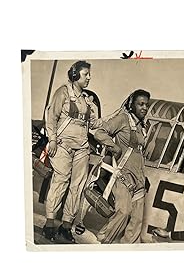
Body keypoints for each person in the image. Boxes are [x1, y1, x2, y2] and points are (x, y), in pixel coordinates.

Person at [43, 60, 103, 243]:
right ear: (75, 75)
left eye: (89, 74)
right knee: (60, 181)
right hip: (62, 145)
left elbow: (93, 125)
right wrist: (51, 140)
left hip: (82, 148)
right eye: (86, 74)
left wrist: (110, 116)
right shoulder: (62, 92)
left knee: (77, 186)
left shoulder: (86, 101)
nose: (89, 78)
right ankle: (50, 224)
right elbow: (51, 117)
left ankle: (66, 226)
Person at [93, 89, 150, 244]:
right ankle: (104, 240)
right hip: (123, 175)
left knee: (137, 220)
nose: (144, 108)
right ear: (132, 105)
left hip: (138, 179)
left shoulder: (142, 128)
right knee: (123, 212)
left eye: (146, 105)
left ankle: (128, 249)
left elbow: (139, 154)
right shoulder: (123, 119)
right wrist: (114, 147)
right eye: (141, 104)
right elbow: (100, 132)